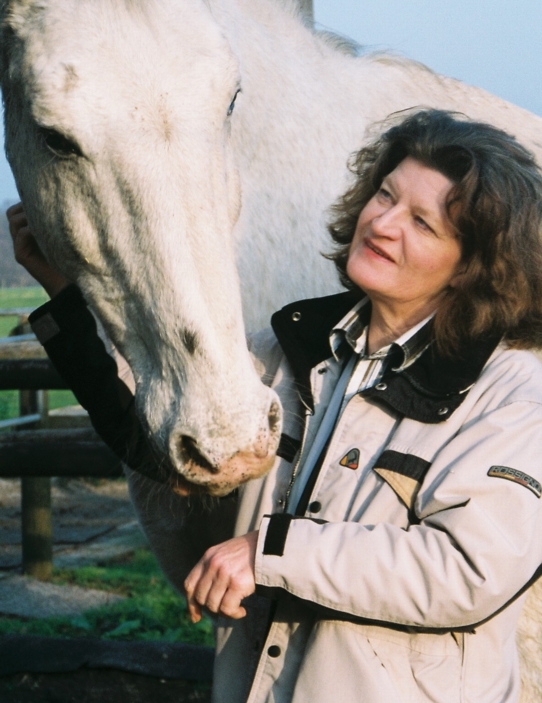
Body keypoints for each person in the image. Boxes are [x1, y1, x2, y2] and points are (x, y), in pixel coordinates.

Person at [8, 109, 542, 703]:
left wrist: (270, 551)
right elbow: (151, 429)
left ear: (473, 266)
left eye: (422, 223)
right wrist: (65, 293)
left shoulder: (514, 394)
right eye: (385, 195)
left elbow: (467, 570)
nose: (384, 224)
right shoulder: (294, 352)